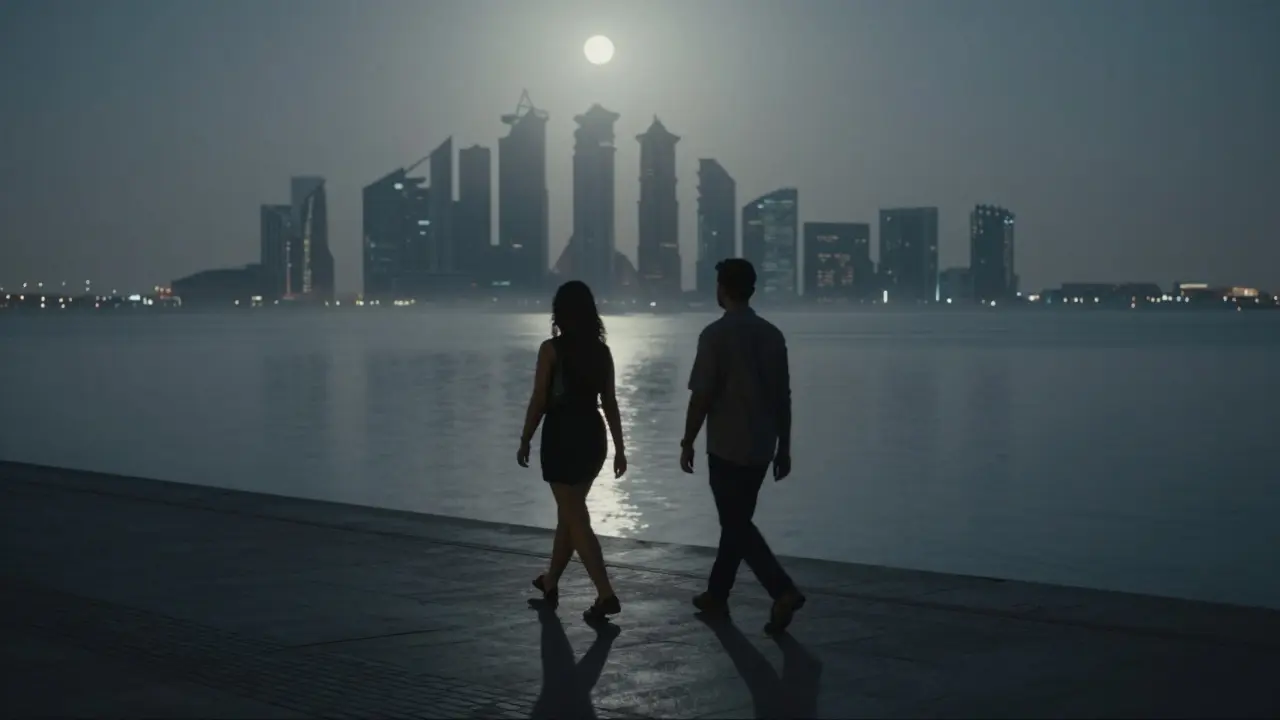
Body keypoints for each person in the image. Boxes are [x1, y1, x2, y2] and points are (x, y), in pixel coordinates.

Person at [679, 258, 806, 633]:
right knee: (736, 523)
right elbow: (783, 397)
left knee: (735, 523)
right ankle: (717, 594)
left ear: (723, 288)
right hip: (762, 446)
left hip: (725, 445)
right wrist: (784, 446)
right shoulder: (771, 334)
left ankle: (782, 590)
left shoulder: (714, 336)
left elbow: (701, 395)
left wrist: (688, 440)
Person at [517, 280, 627, 622]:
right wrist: (621, 448)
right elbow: (609, 402)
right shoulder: (602, 351)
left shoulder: (551, 350)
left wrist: (525, 438)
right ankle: (550, 581)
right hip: (593, 435)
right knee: (570, 513)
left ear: (559, 313)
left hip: (563, 434)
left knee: (575, 515)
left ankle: (605, 593)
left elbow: (539, 399)